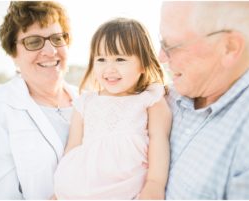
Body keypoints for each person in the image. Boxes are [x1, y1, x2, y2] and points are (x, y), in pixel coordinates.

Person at [159, 1, 249, 200]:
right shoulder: (166, 96)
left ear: (229, 48)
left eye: (171, 46)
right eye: (161, 42)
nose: (161, 57)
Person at [53, 18, 172, 199]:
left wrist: (155, 183)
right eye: (101, 59)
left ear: (143, 63)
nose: (109, 68)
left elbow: (159, 141)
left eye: (120, 59)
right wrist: (59, 191)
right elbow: (72, 149)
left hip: (127, 187)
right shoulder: (85, 102)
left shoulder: (149, 98)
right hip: (82, 187)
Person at [0, 1, 78, 199]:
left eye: (57, 38)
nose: (50, 51)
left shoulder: (91, 101)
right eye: (33, 41)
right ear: (13, 53)